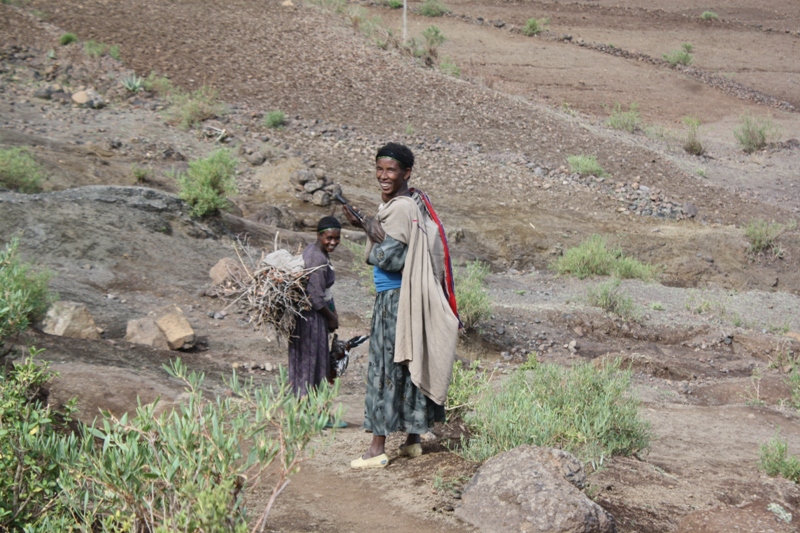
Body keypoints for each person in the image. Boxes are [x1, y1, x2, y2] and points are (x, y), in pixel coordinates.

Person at [343, 143, 460, 469]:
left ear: (406, 173)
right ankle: (413, 441)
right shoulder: (415, 205)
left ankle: (376, 448)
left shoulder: (399, 208)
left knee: (384, 368)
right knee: (409, 366)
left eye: (391, 170)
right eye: (379, 169)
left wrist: (366, 229)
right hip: (410, 299)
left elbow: (389, 259)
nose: (383, 176)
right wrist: (367, 226)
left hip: (395, 301)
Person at [287, 216, 341, 397]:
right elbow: (315, 298)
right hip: (311, 319)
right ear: (319, 236)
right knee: (312, 362)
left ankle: (303, 406)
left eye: (336, 238)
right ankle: (310, 409)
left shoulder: (313, 250)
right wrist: (331, 317)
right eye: (329, 238)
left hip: (307, 317)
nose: (333, 242)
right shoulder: (317, 260)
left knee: (305, 362)